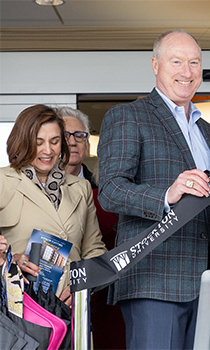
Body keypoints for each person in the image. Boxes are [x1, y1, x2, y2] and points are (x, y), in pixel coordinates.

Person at [98, 29, 210, 349]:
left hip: (209, 282)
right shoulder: (128, 115)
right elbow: (110, 189)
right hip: (153, 278)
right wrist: (166, 195)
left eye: (195, 63)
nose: (187, 72)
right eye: (177, 61)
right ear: (156, 65)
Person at [0, 104, 106, 305]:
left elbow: (94, 249)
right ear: (22, 142)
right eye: (38, 142)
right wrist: (10, 261)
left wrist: (84, 285)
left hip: (69, 307)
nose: (47, 150)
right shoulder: (3, 180)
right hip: (18, 307)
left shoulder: (81, 188)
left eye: (55, 141)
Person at [56, 106, 126, 348]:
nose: (74, 142)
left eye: (80, 135)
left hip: (104, 304)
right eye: (65, 135)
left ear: (87, 145)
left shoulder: (109, 194)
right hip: (48, 304)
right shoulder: (31, 191)